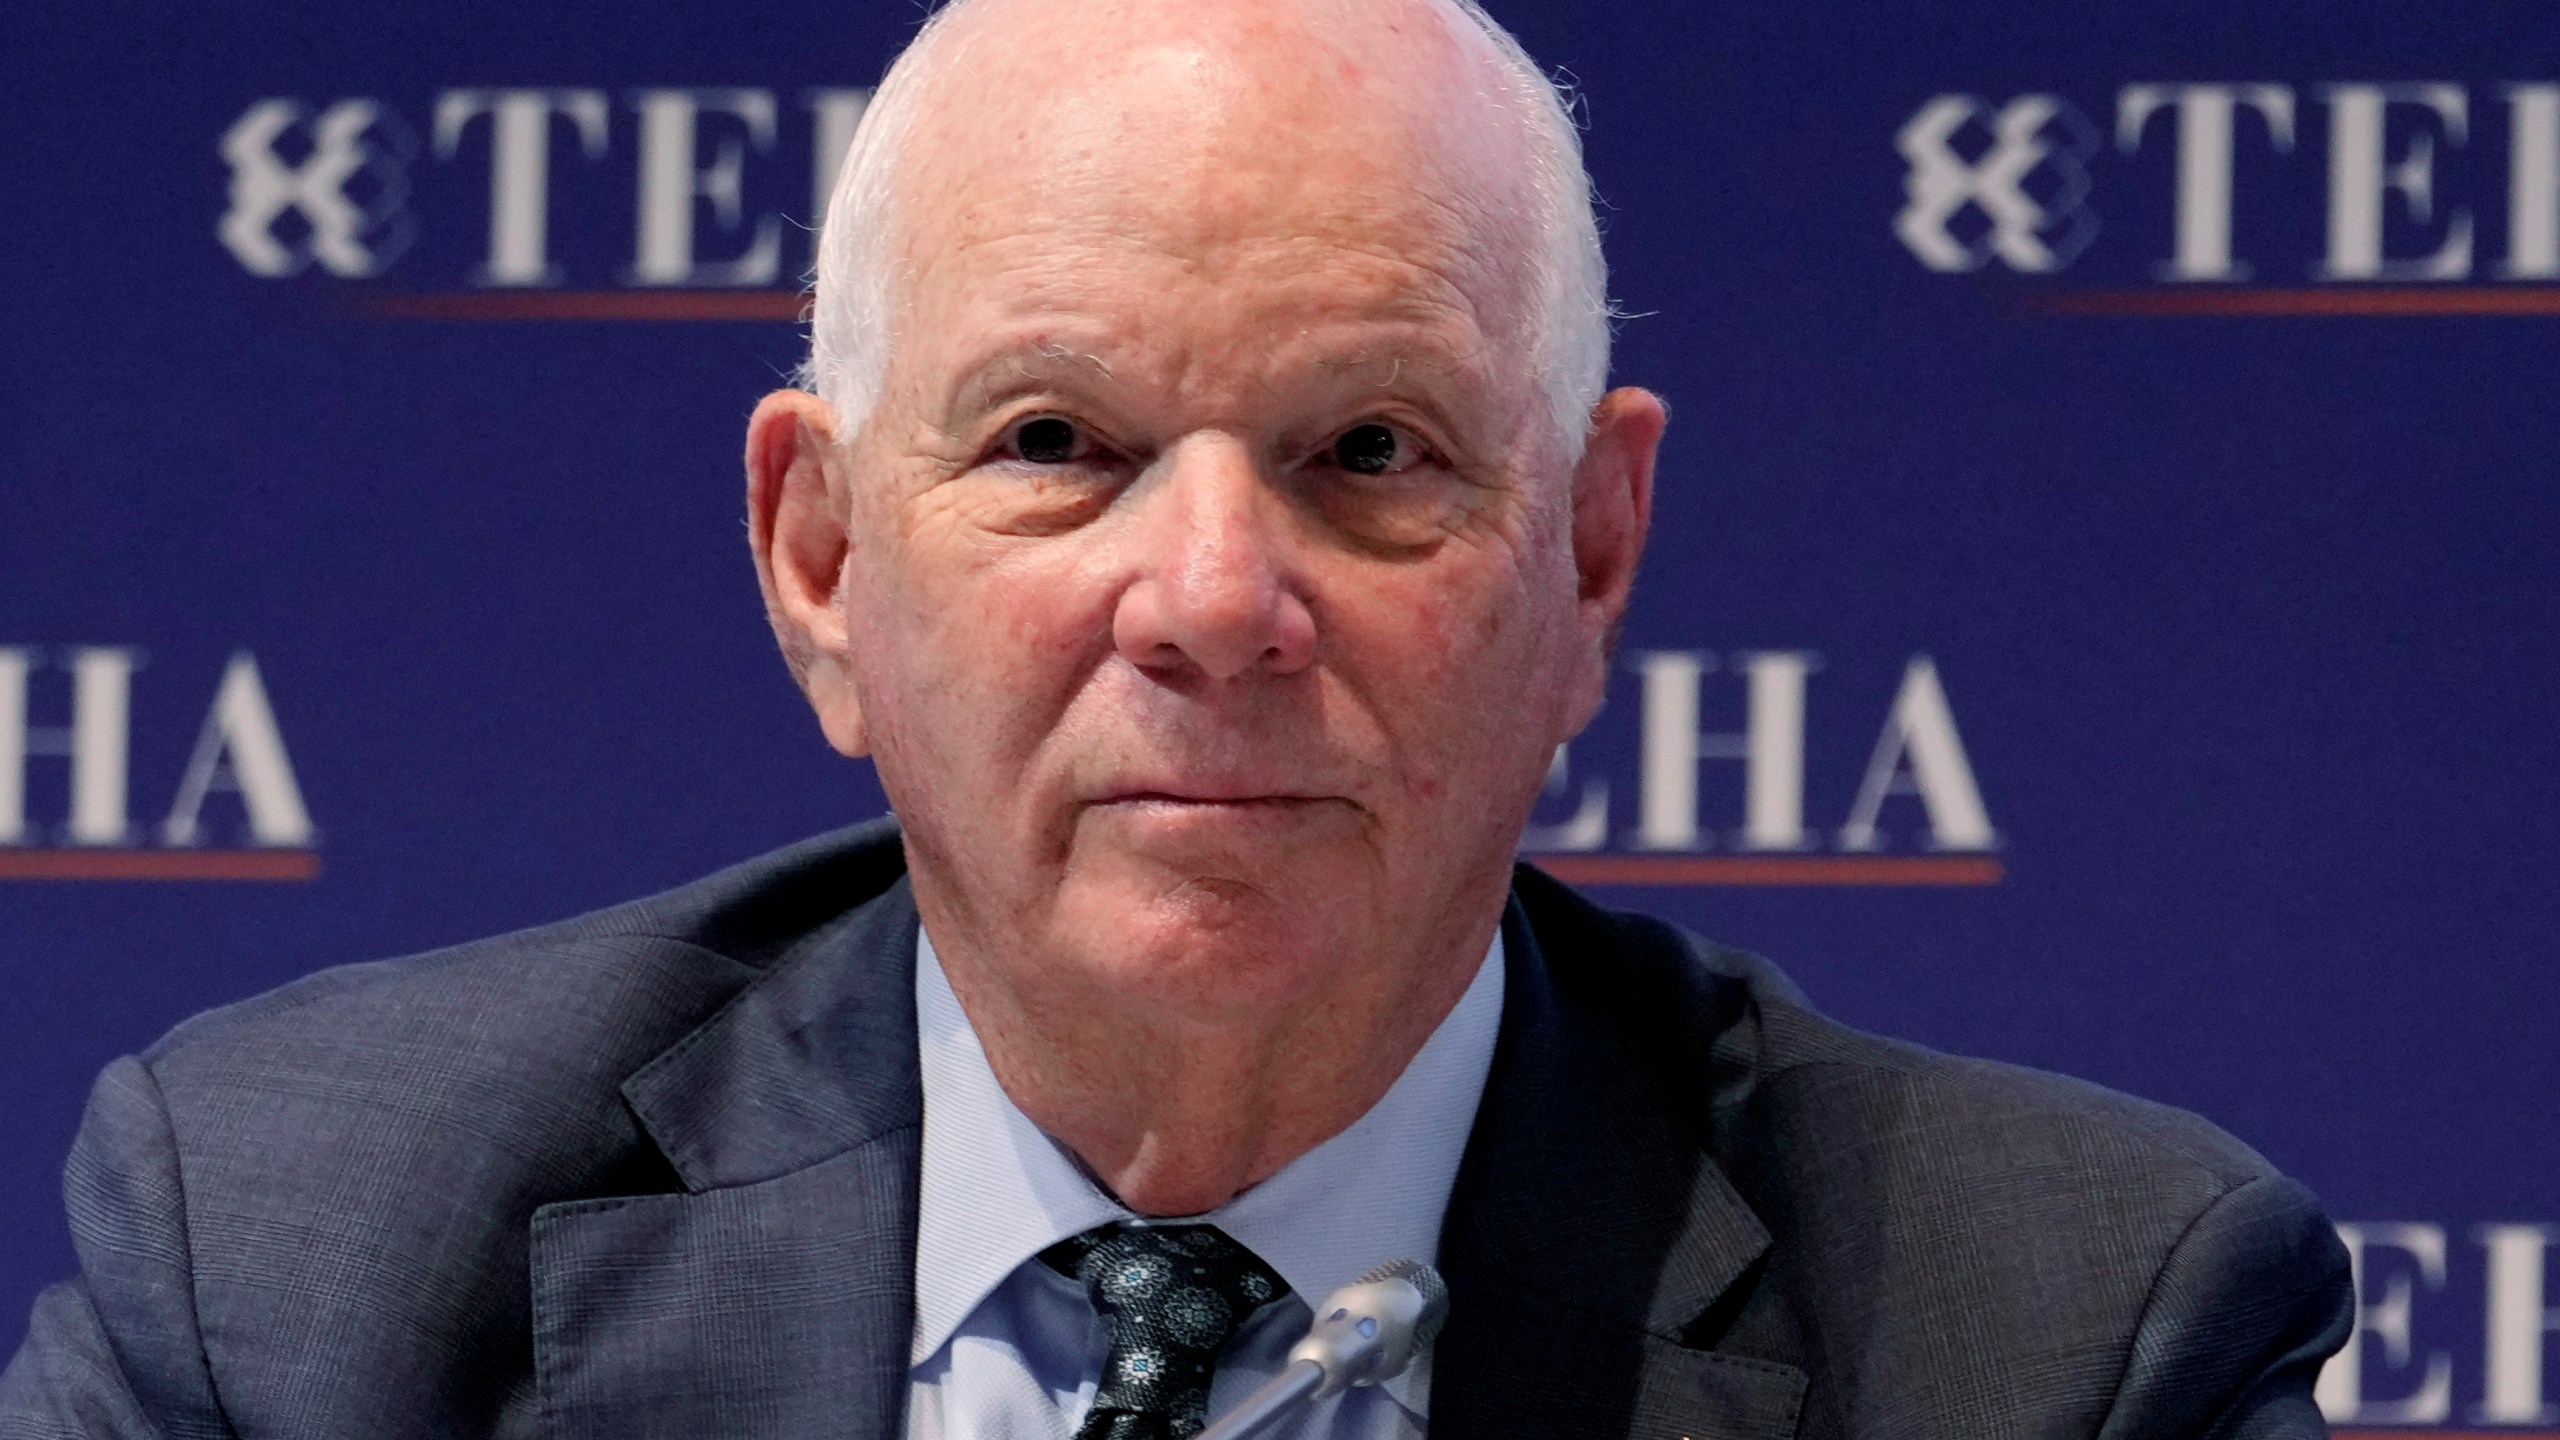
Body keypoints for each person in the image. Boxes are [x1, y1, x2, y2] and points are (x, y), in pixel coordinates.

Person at [1, 0, 2352, 1435]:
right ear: (821, 561)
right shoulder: (305, 1260)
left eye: (1368, 455)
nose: (1215, 603)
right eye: (1051, 444)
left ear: (1589, 561)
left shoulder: (2053, 1339)